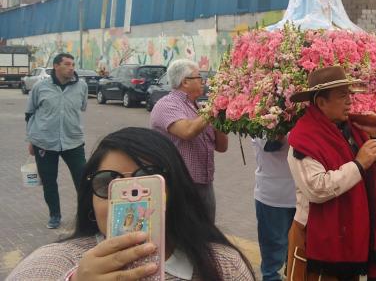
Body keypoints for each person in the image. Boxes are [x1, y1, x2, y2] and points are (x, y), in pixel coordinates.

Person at [7, 127, 255, 281]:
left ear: (176, 191)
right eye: (108, 184)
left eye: (147, 182)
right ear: (90, 200)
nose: (129, 203)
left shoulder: (224, 266)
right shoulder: (52, 263)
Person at [285, 66, 376, 281]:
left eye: (350, 95)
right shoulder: (304, 138)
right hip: (317, 239)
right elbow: (317, 189)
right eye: (342, 96)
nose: (349, 102)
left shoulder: (355, 131)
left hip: (350, 236)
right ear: (321, 102)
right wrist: (359, 164)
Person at [150, 59, 228, 222]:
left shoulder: (198, 107)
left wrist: (221, 116)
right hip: (180, 184)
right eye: (198, 77)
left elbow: (222, 146)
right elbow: (188, 131)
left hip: (205, 183)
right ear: (185, 81)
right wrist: (214, 106)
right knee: (184, 238)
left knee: (206, 237)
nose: (203, 81)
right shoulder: (166, 105)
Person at [25, 52, 88, 229]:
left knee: (83, 179)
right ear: (56, 66)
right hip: (44, 142)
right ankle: (55, 215)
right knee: (49, 181)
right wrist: (31, 140)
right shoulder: (40, 87)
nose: (71, 68)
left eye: (73, 64)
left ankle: (87, 215)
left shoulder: (82, 86)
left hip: (73, 141)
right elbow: (30, 113)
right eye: (67, 64)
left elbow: (82, 107)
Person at [251, 135, 296, 281]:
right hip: (273, 200)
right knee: (272, 265)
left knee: (297, 260)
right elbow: (271, 145)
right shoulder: (259, 114)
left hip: (303, 197)